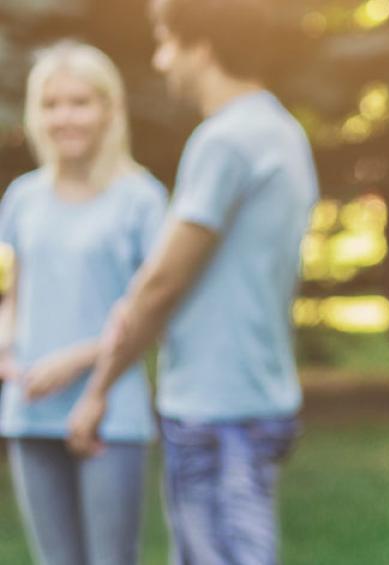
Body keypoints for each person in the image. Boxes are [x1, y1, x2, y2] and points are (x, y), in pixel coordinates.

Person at [65, 0, 318, 562]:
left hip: (215, 409)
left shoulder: (225, 140)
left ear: (201, 45)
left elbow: (160, 281)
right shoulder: (280, 130)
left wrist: (98, 389)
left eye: (167, 42)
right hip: (257, 397)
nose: (160, 62)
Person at [0, 40, 166, 565]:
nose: (63, 117)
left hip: (110, 412)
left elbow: (153, 314)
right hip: (29, 409)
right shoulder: (22, 198)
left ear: (108, 109)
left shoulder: (142, 198)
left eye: (79, 102)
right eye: (51, 104)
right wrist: (5, 345)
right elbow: (15, 295)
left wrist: (73, 360)